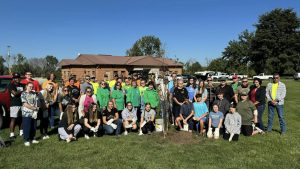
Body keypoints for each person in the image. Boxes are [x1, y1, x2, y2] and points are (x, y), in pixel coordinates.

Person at [21, 82, 39, 146]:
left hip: (34, 112)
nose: (31, 88)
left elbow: (36, 102)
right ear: (26, 86)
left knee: (33, 126)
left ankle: (33, 138)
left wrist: (36, 110)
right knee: (27, 126)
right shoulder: (23, 93)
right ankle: (26, 140)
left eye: (32, 87)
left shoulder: (34, 93)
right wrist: (33, 108)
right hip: (26, 113)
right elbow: (25, 104)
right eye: (30, 86)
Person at [8, 73, 24, 138]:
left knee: (21, 119)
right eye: (15, 78)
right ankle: (12, 134)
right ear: (13, 79)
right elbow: (15, 93)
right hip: (14, 104)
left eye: (18, 77)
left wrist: (21, 91)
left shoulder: (22, 85)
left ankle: (21, 132)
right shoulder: (11, 85)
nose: (17, 79)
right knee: (13, 119)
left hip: (22, 104)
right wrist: (22, 90)